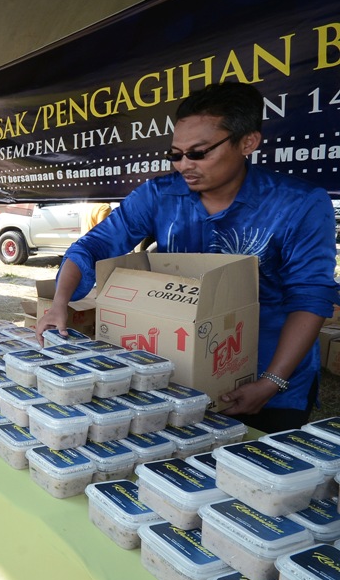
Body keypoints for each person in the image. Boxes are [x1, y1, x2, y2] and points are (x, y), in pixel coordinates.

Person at [36, 82, 339, 433]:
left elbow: (310, 297)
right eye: (176, 154)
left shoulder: (299, 204)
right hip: (178, 372)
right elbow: (92, 247)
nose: (184, 166)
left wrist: (271, 382)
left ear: (248, 143)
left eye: (198, 153)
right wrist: (60, 303)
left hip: (268, 378)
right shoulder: (159, 195)